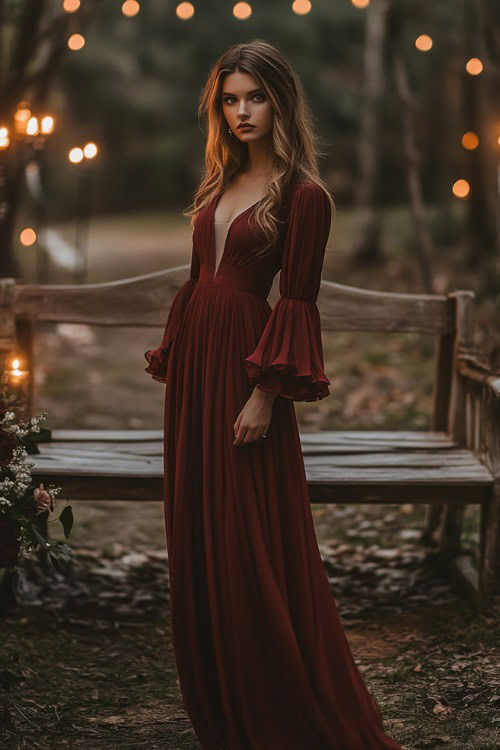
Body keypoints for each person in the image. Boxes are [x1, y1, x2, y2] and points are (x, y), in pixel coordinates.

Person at [144, 39, 403, 750]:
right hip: (197, 366)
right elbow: (198, 281)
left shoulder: (305, 197)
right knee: (200, 526)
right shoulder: (217, 183)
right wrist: (177, 353)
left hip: (244, 368)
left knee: (250, 533)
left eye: (255, 96)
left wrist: (265, 395)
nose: (241, 111)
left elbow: (296, 302)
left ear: (281, 101)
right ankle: (220, 690)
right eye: (230, 99)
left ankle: (277, 695)